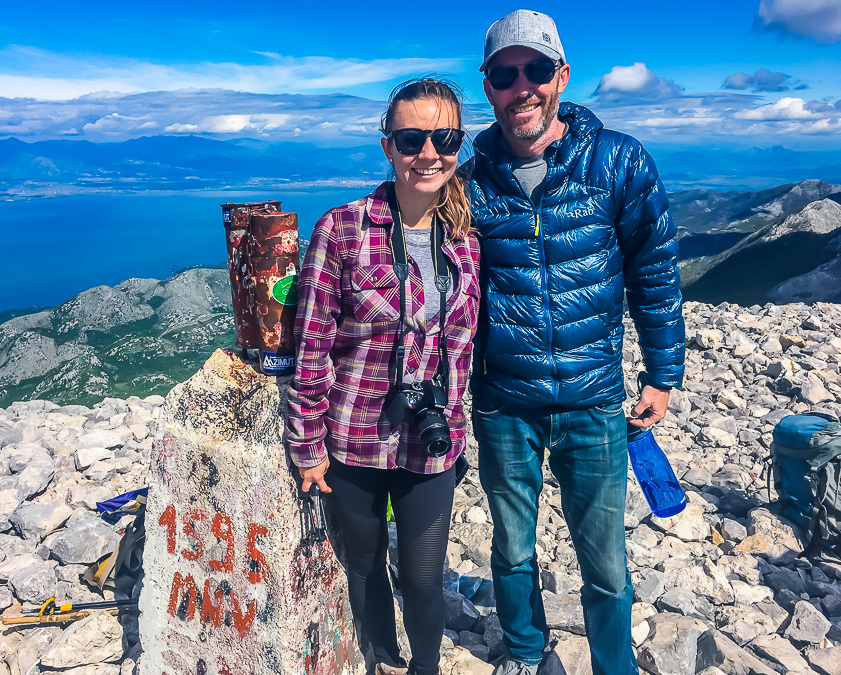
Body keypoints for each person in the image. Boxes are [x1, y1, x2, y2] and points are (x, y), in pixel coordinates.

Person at [466, 10, 686, 675]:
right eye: (506, 74)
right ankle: (527, 654)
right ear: (489, 87)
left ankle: (612, 665)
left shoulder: (616, 159)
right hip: (504, 400)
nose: (522, 87)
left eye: (536, 70)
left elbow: (655, 267)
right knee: (510, 546)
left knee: (607, 562)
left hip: (593, 398)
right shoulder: (467, 178)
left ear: (561, 76)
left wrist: (662, 374)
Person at [285, 78, 481, 675]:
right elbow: (312, 343)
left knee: (423, 577)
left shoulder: (466, 241)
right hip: (353, 438)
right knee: (365, 566)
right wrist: (306, 444)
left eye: (444, 138)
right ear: (387, 147)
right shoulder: (342, 229)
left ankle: (423, 669)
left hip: (431, 440)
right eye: (410, 138)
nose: (429, 153)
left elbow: (466, 345)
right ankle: (384, 661)